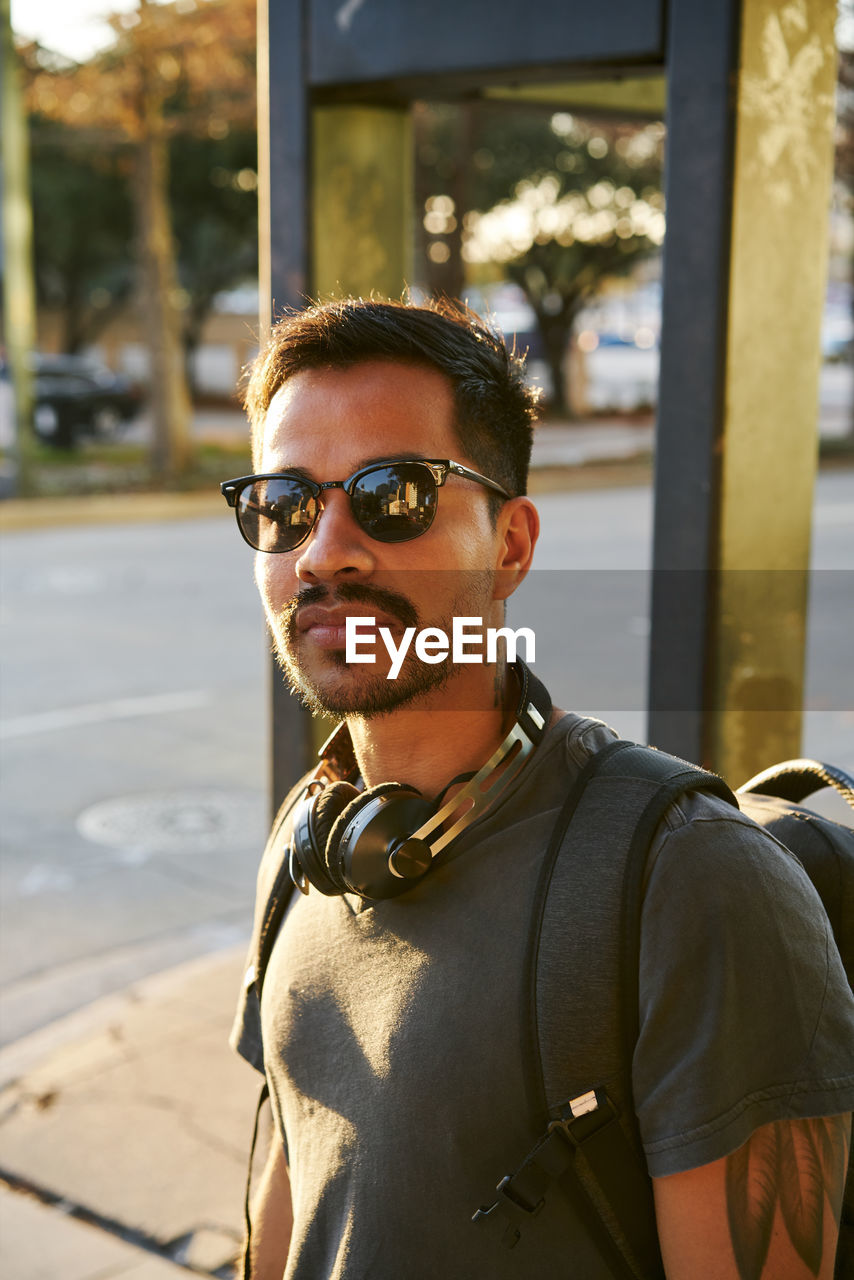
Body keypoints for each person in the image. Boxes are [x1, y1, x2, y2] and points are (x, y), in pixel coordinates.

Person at [226, 297, 854, 1279]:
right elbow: (288, 1227)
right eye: (284, 504)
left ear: (509, 545)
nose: (324, 550)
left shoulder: (692, 883)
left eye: (391, 495)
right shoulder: (309, 841)